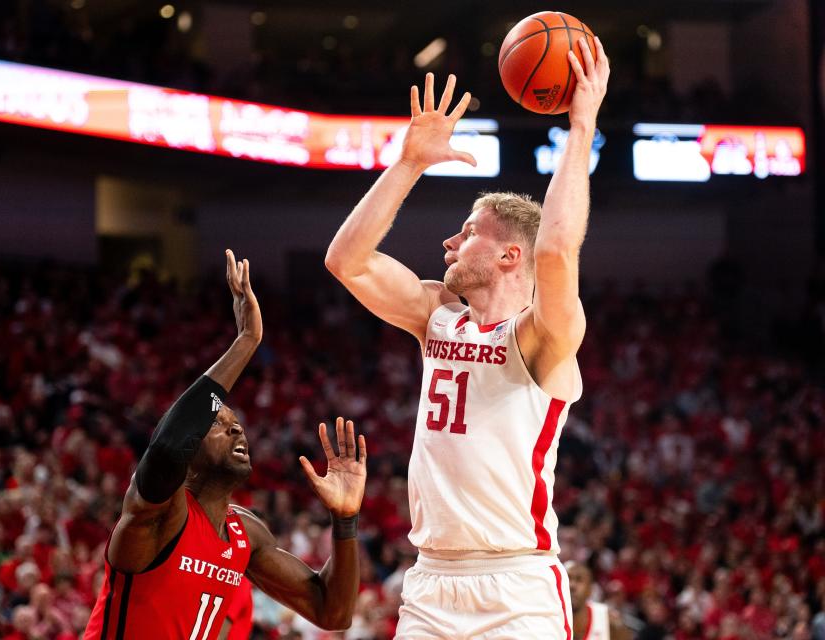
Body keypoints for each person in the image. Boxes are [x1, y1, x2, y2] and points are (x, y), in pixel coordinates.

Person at [325, 37, 610, 637]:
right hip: (430, 580)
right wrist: (408, 164)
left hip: (517, 585)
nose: (450, 243)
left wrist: (580, 125)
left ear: (510, 255)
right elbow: (347, 261)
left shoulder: (542, 338)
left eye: (468, 231)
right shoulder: (436, 317)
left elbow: (557, 249)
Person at [83, 250, 367, 639]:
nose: (237, 431)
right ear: (191, 450)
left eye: (238, 425)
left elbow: (332, 612)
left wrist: (345, 519)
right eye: (219, 424)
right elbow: (166, 448)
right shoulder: (162, 512)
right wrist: (247, 341)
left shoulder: (245, 533)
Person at [566, 562, 631, 640]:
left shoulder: (609, 621)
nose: (572, 585)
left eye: (579, 580)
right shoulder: (549, 616)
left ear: (590, 590)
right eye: (567, 578)